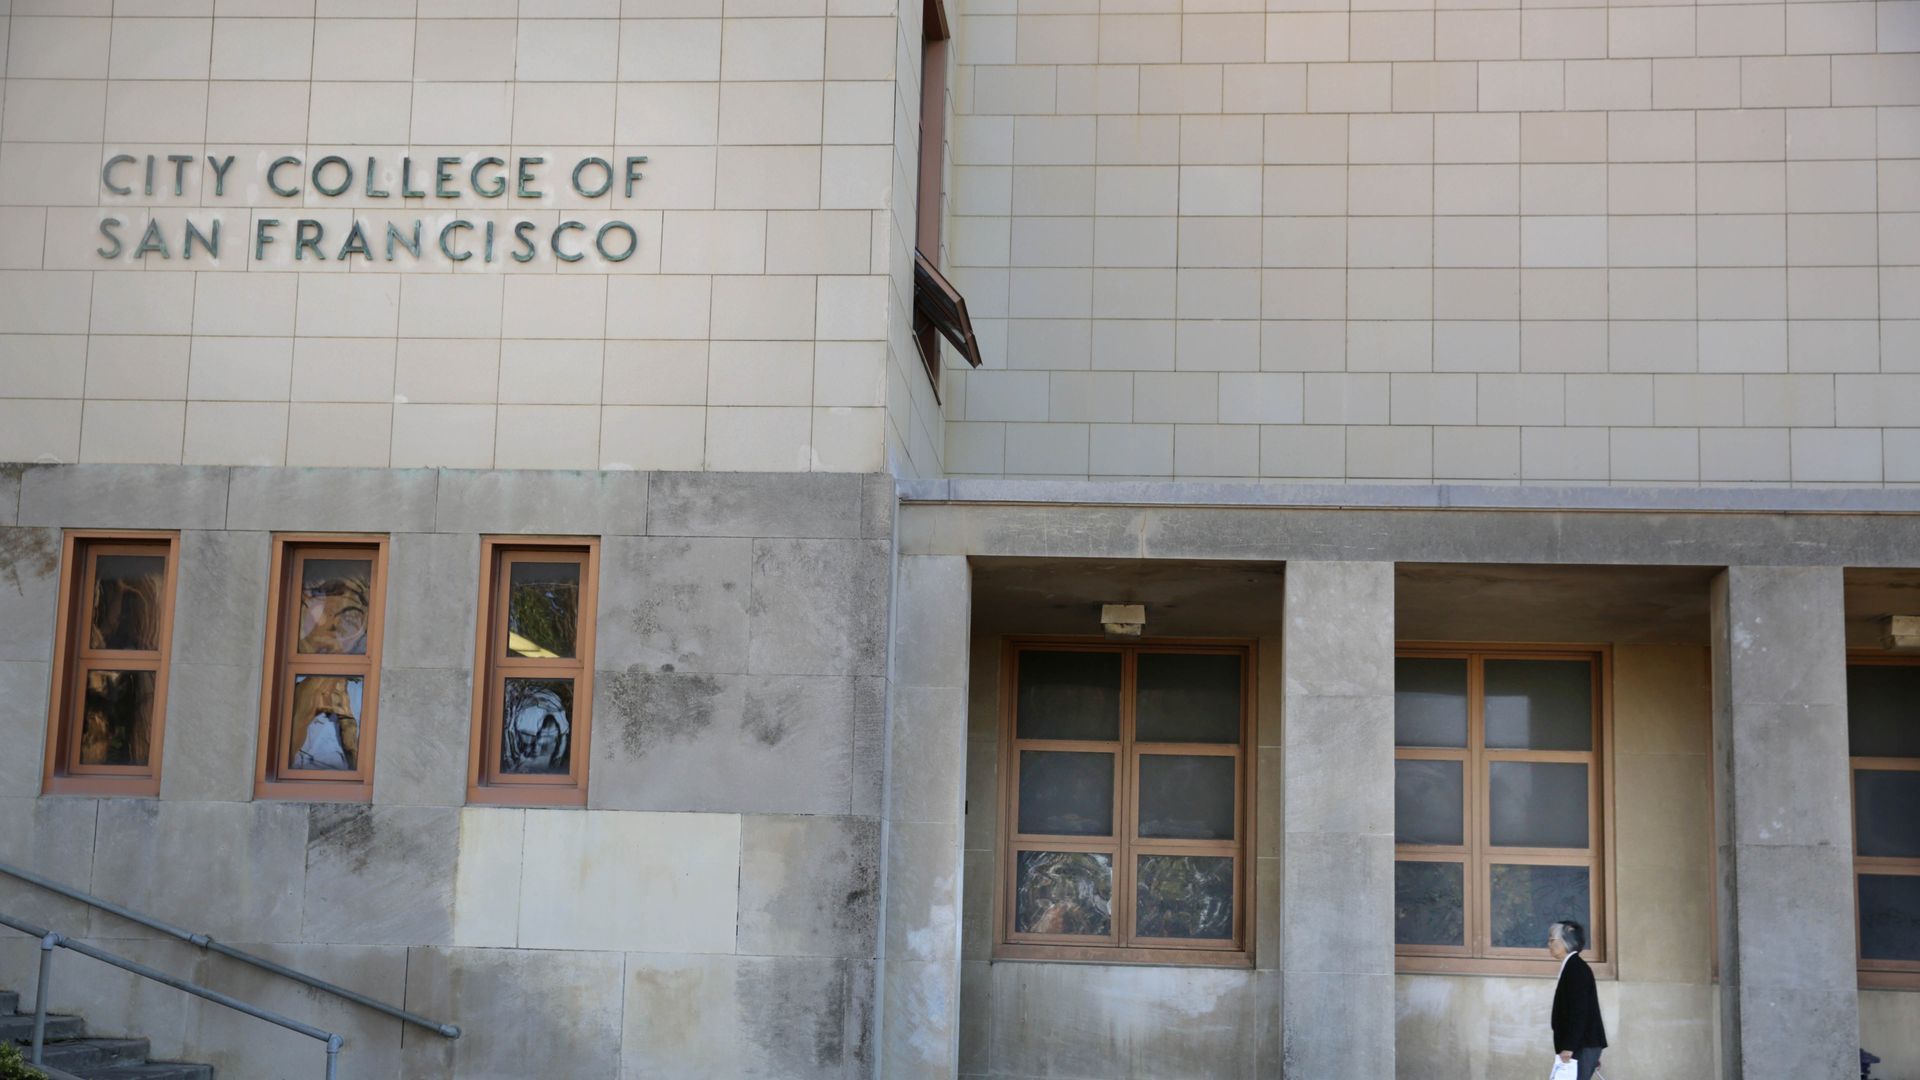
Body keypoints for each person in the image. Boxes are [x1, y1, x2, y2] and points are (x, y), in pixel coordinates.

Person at [1548, 919, 1607, 1079]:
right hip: (1581, 1045)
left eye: (1552, 940)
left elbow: (1579, 1011)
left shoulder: (1576, 969)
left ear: (1566, 942)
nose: (1549, 944)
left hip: (1580, 1045)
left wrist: (1569, 1046)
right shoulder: (1572, 966)